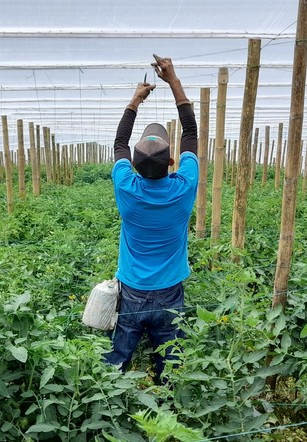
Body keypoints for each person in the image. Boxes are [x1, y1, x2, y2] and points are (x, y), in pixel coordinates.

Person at [104, 54, 198, 384]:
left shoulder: (126, 187)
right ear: (172, 161)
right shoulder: (184, 187)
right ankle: (166, 401)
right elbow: (190, 131)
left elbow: (118, 143)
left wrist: (135, 99)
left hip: (132, 288)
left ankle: (112, 394)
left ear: (134, 164)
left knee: (119, 352)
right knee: (171, 355)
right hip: (170, 289)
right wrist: (173, 80)